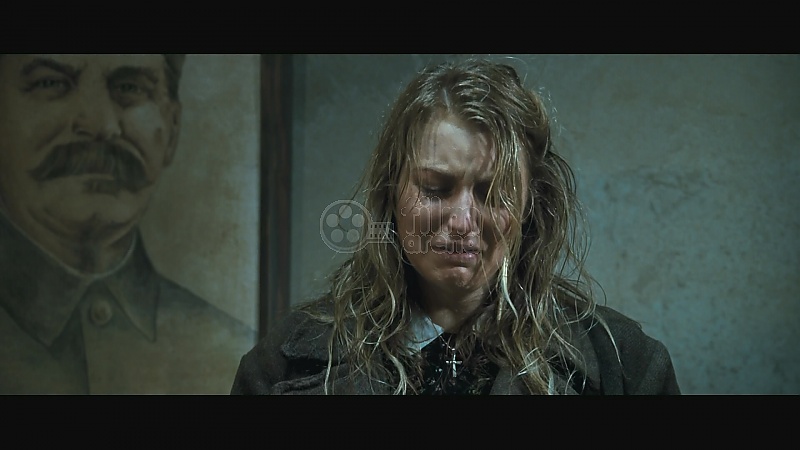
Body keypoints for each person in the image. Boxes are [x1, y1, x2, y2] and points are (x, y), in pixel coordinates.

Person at [231, 59, 680, 395]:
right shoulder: (282, 365)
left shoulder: (627, 367)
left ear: (530, 205)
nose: (463, 221)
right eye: (435, 189)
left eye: (493, 193)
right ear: (391, 193)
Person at [0, 54, 255, 394]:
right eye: (51, 83)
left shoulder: (239, 354)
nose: (99, 124)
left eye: (130, 88)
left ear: (172, 129)